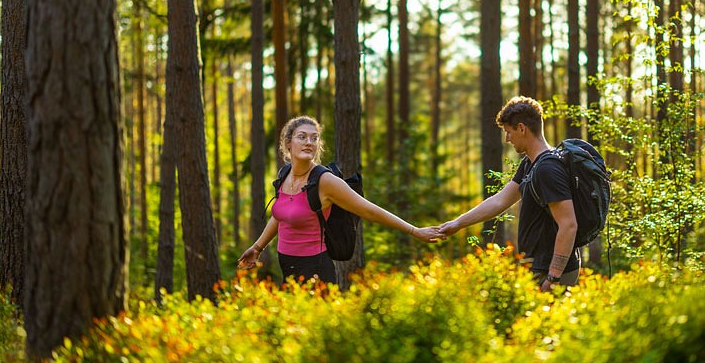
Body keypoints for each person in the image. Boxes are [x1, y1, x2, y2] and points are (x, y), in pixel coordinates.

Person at [238, 115, 440, 284]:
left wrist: (414, 230)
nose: (309, 142)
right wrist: (257, 247)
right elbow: (281, 216)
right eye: (302, 137)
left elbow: (369, 210)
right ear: (288, 143)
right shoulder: (285, 174)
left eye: (314, 138)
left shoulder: (325, 181)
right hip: (287, 266)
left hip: (315, 269)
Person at [437, 96, 580, 291]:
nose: (507, 139)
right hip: (540, 268)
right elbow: (500, 201)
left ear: (522, 128)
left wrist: (553, 278)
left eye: (508, 132)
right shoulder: (531, 164)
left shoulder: (548, 169)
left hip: (553, 272)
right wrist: (457, 223)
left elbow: (569, 224)